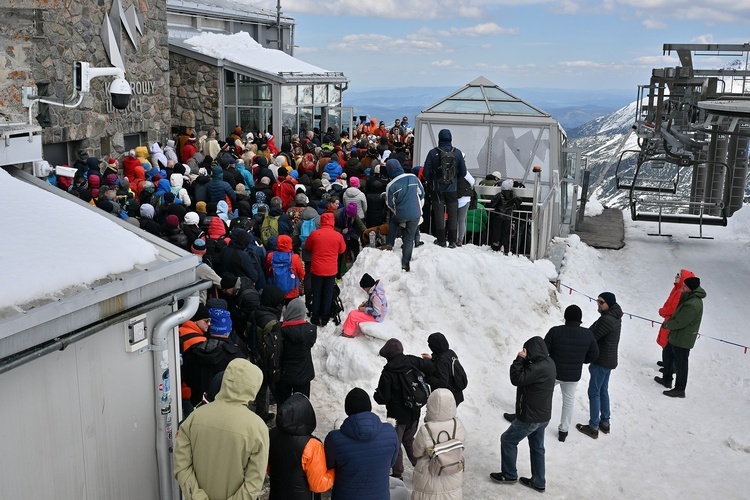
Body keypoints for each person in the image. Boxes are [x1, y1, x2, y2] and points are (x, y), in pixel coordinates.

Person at [174, 358, 269, 500]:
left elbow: (182, 466)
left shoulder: (194, 417)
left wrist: (198, 496)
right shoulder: (258, 428)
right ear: (254, 387)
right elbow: (253, 483)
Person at [490, 336, 555, 493]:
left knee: (508, 440)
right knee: (537, 447)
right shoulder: (548, 363)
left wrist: (519, 359)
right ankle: (539, 482)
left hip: (530, 417)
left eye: (526, 350)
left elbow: (517, 378)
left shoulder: (537, 368)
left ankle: (509, 474)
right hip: (543, 416)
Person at [374, 338, 435, 480]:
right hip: (414, 411)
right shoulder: (411, 361)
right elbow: (431, 367)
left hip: (397, 416)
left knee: (396, 443)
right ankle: (420, 467)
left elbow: (382, 398)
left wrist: (377, 394)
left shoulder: (388, 372)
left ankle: (397, 474)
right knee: (408, 439)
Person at [324, 388, 399, 500]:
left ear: (347, 409)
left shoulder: (334, 439)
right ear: (369, 407)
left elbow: (328, 467)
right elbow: (391, 462)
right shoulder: (390, 433)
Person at [543, 305, 599, 442]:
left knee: (544, 396)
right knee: (568, 402)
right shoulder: (588, 335)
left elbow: (544, 350)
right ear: (580, 319)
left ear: (566, 317)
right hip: (573, 375)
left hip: (554, 372)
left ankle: (538, 423)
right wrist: (582, 360)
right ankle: (563, 431)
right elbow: (595, 354)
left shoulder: (555, 331)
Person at [268, 393, 335, 499]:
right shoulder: (312, 445)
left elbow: (269, 469)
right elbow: (318, 485)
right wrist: (334, 473)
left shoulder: (272, 435)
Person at [576, 292, 622, 439]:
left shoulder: (607, 319)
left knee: (594, 392)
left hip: (601, 361)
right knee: (603, 390)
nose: (598, 305)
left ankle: (594, 426)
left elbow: (592, 336)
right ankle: (605, 422)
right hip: (608, 361)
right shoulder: (614, 316)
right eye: (597, 302)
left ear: (609, 303)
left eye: (601, 302)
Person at [411, 388, 467, 500]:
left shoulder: (425, 430)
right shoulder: (458, 425)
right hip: (452, 473)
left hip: (429, 476)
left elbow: (416, 453)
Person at [655, 276, 705, 398]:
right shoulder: (688, 297)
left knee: (681, 365)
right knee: (667, 355)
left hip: (682, 339)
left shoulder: (693, 304)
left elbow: (681, 322)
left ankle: (679, 389)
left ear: (691, 289)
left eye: (685, 286)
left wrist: (667, 325)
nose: (682, 287)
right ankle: (667, 379)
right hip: (675, 336)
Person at [422, 129, 467, 248]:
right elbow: (463, 172)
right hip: (452, 189)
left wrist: (433, 181)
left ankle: (441, 240)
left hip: (437, 189)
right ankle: (452, 241)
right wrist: (454, 180)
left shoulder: (433, 153)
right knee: (453, 214)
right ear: (450, 138)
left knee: (439, 214)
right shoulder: (457, 153)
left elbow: (426, 172)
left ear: (439, 138)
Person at [304, 212, 346, 326]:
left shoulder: (314, 234)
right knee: (328, 294)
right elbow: (342, 250)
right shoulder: (338, 235)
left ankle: (315, 317)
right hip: (331, 270)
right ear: (333, 222)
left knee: (316, 293)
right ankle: (325, 317)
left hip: (316, 269)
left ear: (321, 221)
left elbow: (307, 246)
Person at [384, 158, 425, 272]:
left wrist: (397, 210)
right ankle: (405, 264)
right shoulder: (413, 177)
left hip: (401, 214)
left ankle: (389, 243)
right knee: (409, 238)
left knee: (394, 221)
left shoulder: (391, 185)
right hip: (416, 213)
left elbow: (390, 203)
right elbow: (422, 194)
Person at [278, 298, 317, 406]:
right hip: (304, 375)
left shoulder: (281, 330)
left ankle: (282, 422)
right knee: (302, 405)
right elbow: (311, 344)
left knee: (283, 404)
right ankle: (302, 422)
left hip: (285, 374)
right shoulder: (311, 330)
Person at [656, 269, 695, 367]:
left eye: (678, 276)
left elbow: (673, 308)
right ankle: (667, 362)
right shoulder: (676, 288)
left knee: (669, 342)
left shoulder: (681, 291)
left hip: (672, 319)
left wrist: (663, 311)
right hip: (668, 318)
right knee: (665, 341)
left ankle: (671, 365)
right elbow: (669, 301)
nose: (676, 277)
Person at [421, 332, 466, 407]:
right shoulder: (450, 352)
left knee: (441, 418)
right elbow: (445, 363)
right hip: (456, 394)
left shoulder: (442, 361)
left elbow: (442, 383)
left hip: (447, 398)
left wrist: (426, 377)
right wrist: (433, 358)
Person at [341, 273, 388, 338]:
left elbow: (377, 312)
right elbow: (373, 303)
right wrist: (365, 304)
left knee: (353, 316)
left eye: (364, 288)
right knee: (353, 313)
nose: (364, 290)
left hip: (377, 317)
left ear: (368, 287)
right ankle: (346, 329)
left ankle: (347, 333)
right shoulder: (375, 291)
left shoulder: (376, 296)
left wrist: (365, 309)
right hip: (376, 314)